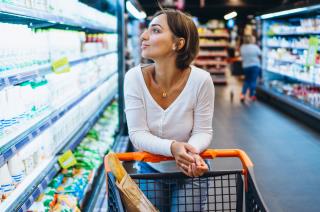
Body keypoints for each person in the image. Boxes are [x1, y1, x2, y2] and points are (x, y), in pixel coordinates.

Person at [124, 8, 215, 211]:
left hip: (191, 171)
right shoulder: (134, 78)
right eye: (147, 29)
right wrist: (173, 148)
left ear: (178, 43)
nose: (143, 36)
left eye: (155, 30)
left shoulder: (201, 80)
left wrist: (191, 155)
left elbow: (203, 131)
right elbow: (137, 134)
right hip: (150, 168)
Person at [240, 35, 261, 102]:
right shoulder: (255, 47)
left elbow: (242, 55)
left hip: (246, 66)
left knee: (247, 80)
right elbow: (260, 54)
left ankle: (243, 95)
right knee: (253, 81)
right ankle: (252, 95)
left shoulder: (242, 47)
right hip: (255, 66)